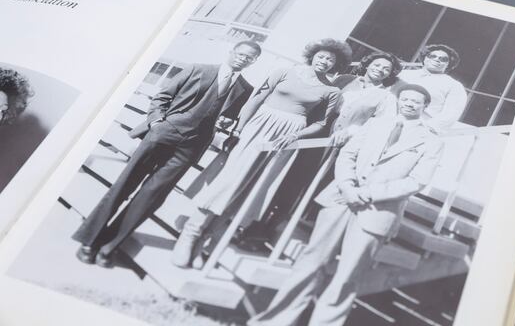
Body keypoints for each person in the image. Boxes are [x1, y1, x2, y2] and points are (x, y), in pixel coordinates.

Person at [248, 84, 442, 326]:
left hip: (378, 211)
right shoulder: (376, 123)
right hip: (340, 199)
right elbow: (348, 155)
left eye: (416, 101)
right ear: (398, 100)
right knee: (310, 263)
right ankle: (275, 321)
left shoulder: (431, 140)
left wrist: (368, 194)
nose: (409, 104)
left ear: (425, 106)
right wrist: (349, 188)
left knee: (348, 275)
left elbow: (417, 181)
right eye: (405, 99)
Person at [72, 40, 262, 267]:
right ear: (231, 52)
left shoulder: (245, 89)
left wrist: (226, 121)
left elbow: (227, 116)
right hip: (163, 134)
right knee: (124, 186)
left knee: (151, 197)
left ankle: (109, 246)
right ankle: (89, 240)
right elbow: (162, 96)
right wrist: (157, 123)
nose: (243, 59)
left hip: (191, 147)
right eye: (241, 54)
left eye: (249, 58)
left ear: (254, 62)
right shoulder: (198, 69)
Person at [171, 38, 352, 269]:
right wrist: (239, 129)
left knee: (251, 190)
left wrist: (296, 136)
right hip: (257, 130)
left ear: (336, 65)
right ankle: (190, 235)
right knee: (228, 183)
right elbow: (256, 99)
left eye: (331, 60)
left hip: (285, 141)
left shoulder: (331, 90)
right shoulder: (284, 72)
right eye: (322, 56)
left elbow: (320, 123)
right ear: (313, 55)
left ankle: (205, 243)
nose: (325, 62)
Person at [237, 52, 403, 251]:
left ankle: (266, 232)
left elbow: (380, 127)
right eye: (377, 64)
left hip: (339, 146)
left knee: (303, 189)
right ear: (367, 64)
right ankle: (248, 224)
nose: (380, 69)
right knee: (283, 179)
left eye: (386, 68)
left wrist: (353, 131)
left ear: (390, 74)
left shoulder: (386, 97)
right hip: (313, 134)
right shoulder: (344, 80)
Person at [398, 44, 467, 132]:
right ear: (425, 58)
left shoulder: (454, 86)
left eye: (443, 59)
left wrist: (426, 128)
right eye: (432, 56)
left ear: (448, 64)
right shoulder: (404, 74)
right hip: (391, 120)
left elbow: (451, 113)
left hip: (421, 128)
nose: (437, 59)